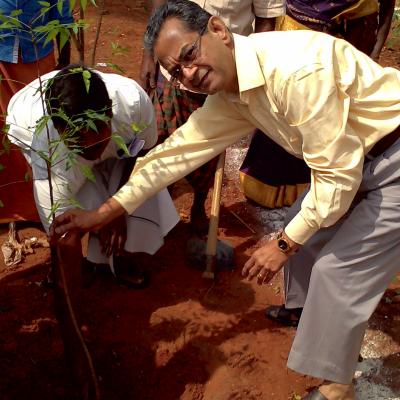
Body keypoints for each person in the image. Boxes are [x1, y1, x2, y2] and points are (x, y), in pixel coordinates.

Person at [52, 1, 400, 398]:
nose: (188, 74)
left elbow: (337, 176)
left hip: (394, 158)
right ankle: (307, 316)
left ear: (218, 30)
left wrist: (283, 244)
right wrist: (106, 211)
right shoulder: (235, 91)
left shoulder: (295, 72)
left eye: (189, 54)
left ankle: (338, 385)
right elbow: (177, 152)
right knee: (308, 237)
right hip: (359, 158)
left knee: (337, 271)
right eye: (177, 70)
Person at [7, 65, 180, 288]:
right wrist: (70, 303)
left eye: (98, 139)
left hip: (115, 137)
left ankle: (116, 258)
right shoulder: (48, 151)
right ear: (61, 131)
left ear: (109, 112)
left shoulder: (133, 104)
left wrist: (115, 209)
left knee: (141, 186)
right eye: (82, 147)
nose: (92, 151)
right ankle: (62, 270)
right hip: (30, 124)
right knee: (73, 211)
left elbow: (143, 153)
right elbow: (62, 232)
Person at [138, 0, 285, 235]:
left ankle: (198, 207)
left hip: (219, 76)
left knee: (207, 150)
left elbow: (267, 17)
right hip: (171, 74)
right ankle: (157, 213)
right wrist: (148, 57)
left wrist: (252, 74)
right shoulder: (178, 69)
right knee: (161, 141)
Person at [239, 0, 396, 209]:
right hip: (301, 34)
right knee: (293, 109)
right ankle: (281, 187)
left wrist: (374, 51)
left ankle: (333, 186)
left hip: (355, 32)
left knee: (338, 116)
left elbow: (386, 5)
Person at [0, 0, 74, 223]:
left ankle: (44, 203)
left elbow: (63, 18)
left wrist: (63, 64)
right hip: (1, 55)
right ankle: (10, 206)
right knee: (4, 132)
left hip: (36, 58)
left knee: (40, 130)